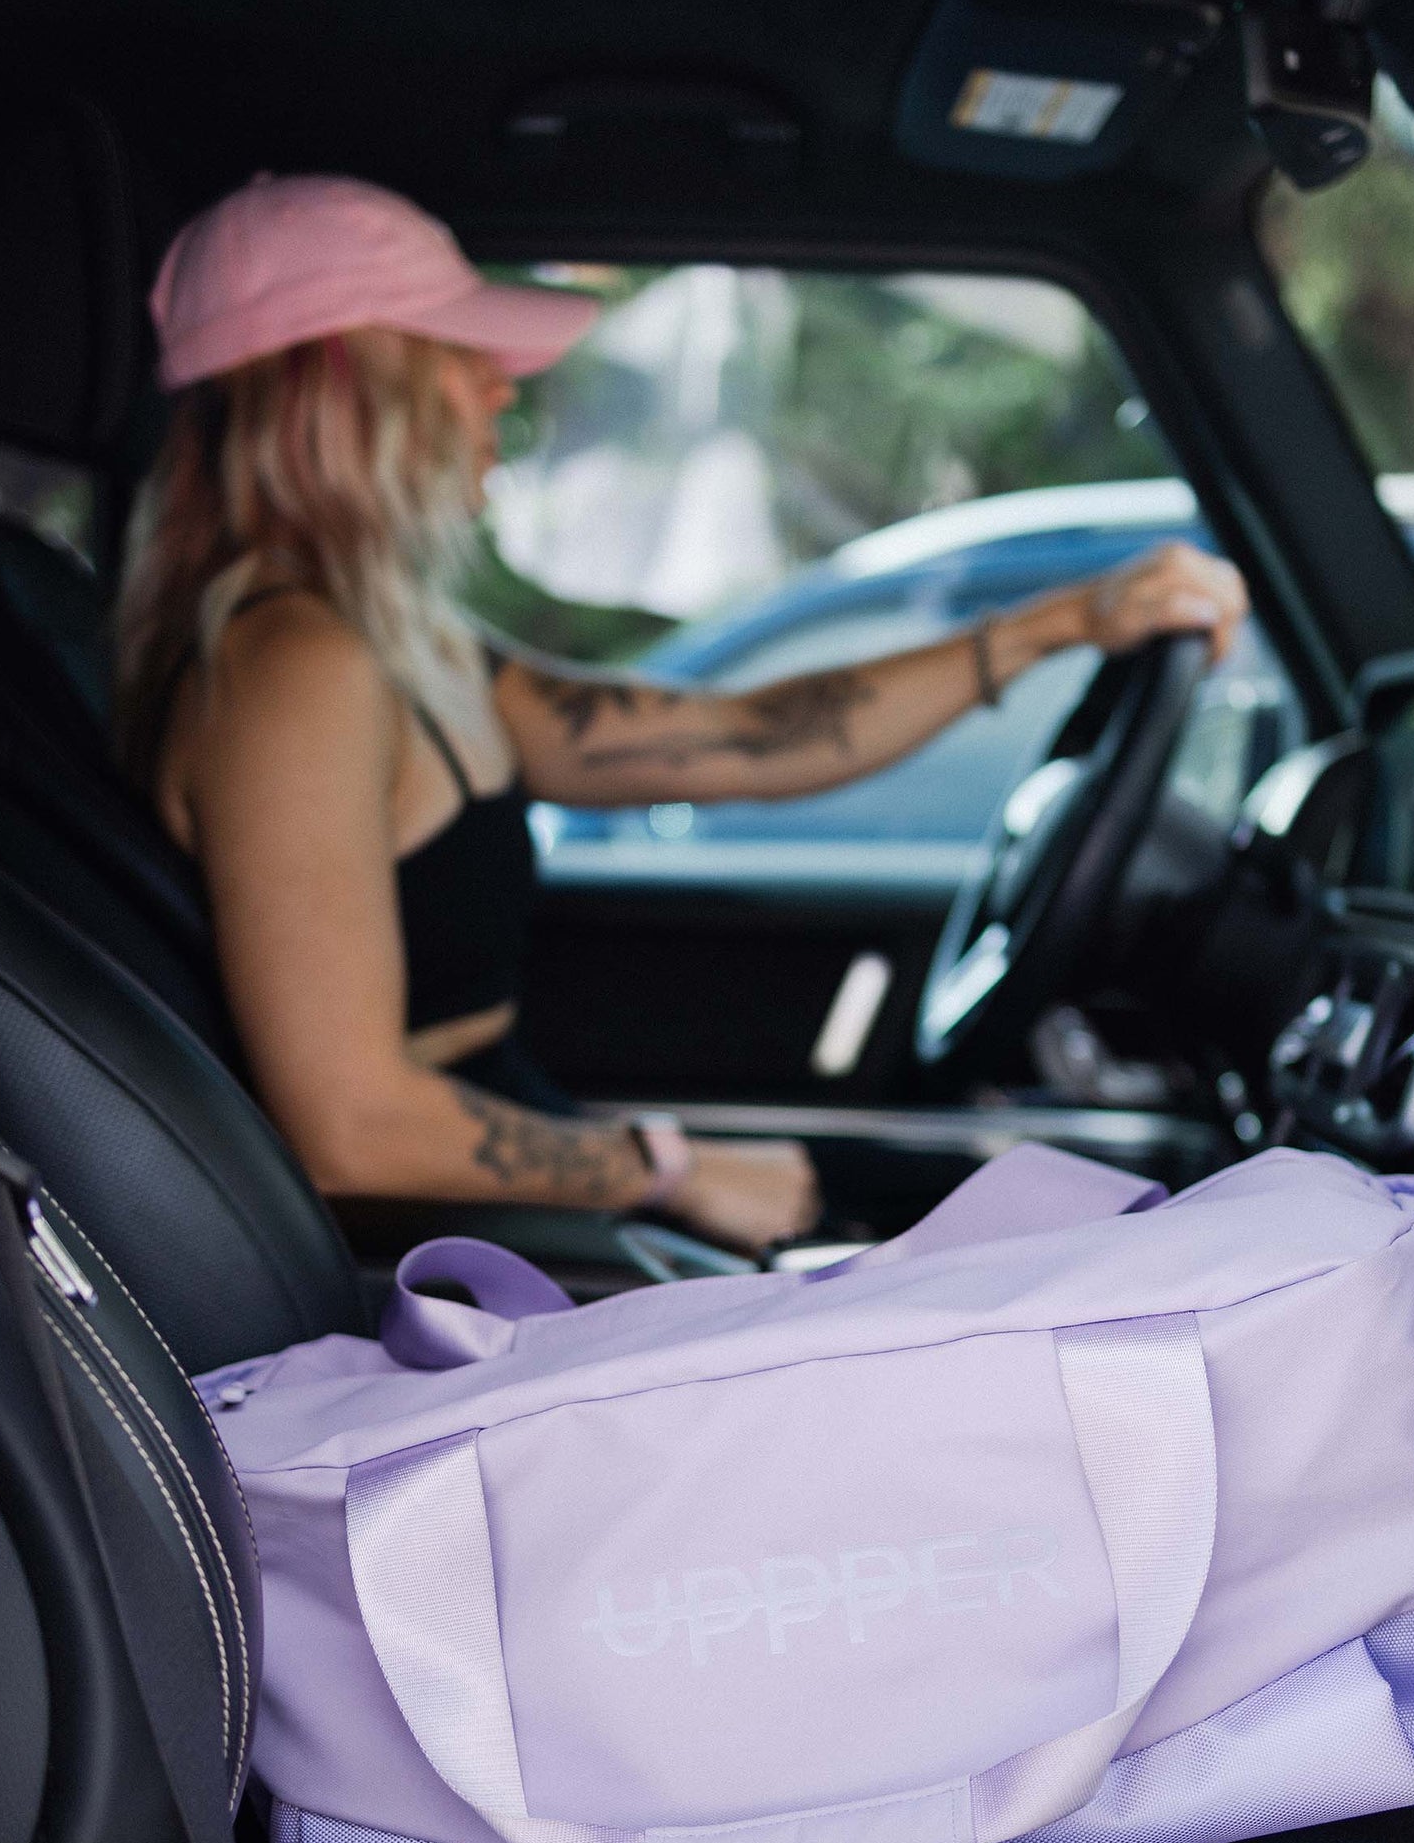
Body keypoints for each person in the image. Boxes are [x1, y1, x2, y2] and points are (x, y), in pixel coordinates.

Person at [116, 176, 1249, 1255]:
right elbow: (351, 1136)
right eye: (458, 357)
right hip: (433, 1247)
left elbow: (737, 739)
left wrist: (1051, 628)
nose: (500, 388)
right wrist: (675, 1170)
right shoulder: (292, 668)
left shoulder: (396, 642)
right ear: (339, 383)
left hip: (497, 1175)